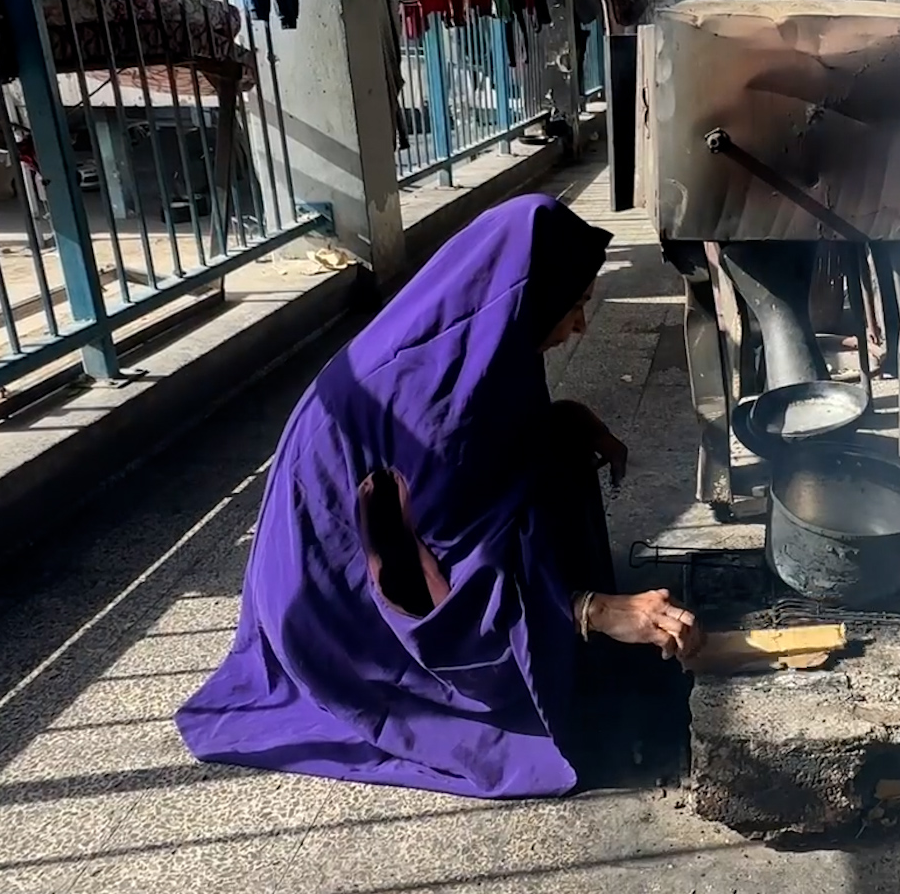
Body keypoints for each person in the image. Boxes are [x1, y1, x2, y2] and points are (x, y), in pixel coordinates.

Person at [175, 193, 701, 799]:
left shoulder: (480, 333)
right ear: (532, 299)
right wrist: (592, 610)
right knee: (543, 653)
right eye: (576, 305)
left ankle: (567, 629)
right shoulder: (428, 404)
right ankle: (564, 636)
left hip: (396, 526)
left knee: (558, 457)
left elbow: (492, 449)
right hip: (341, 604)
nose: (581, 325)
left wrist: (566, 419)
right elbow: (445, 576)